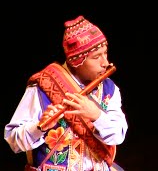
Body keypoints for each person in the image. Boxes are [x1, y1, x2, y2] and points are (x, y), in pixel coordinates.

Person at [4, 15, 128, 171]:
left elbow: (118, 136)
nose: (105, 62)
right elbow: (13, 141)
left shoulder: (110, 89)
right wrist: (39, 127)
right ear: (76, 61)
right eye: (96, 57)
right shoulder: (42, 87)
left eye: (105, 53)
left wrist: (96, 115)